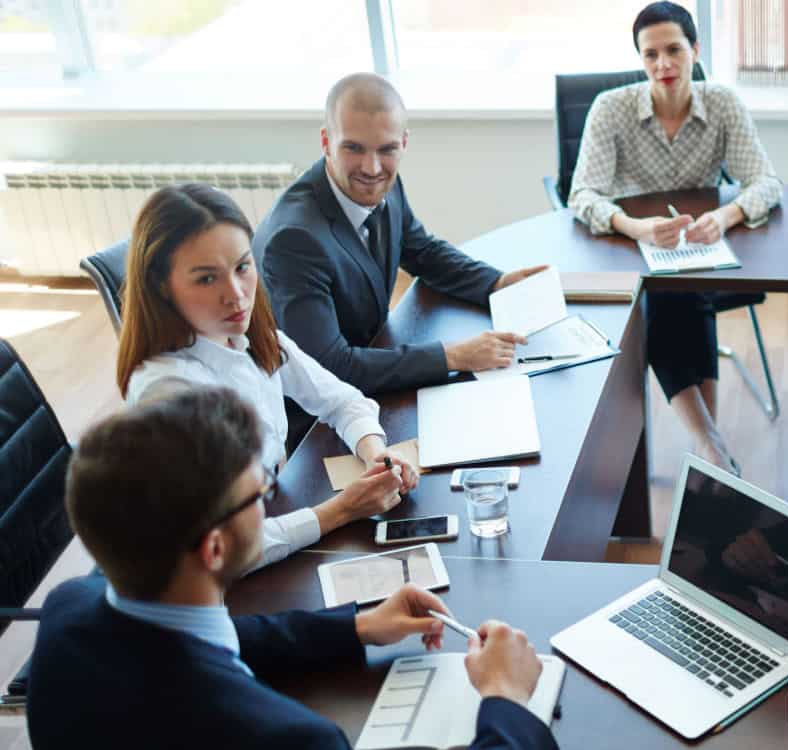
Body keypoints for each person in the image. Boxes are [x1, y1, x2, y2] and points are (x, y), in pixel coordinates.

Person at [27, 388, 557, 750]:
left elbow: (199, 640)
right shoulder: (285, 739)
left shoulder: (68, 610)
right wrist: (507, 699)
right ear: (214, 550)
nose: (266, 505)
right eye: (256, 495)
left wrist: (355, 627)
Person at [116, 183, 417, 570]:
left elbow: (342, 399)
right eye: (207, 279)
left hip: (273, 517)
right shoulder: (168, 392)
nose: (237, 295)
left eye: (242, 266)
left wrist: (378, 455)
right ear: (161, 287)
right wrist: (343, 509)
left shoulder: (247, 334)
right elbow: (223, 551)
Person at [568, 1, 784, 474]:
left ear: (695, 50)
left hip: (700, 247)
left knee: (681, 295)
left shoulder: (722, 102)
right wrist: (634, 225)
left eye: (673, 50)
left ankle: (708, 451)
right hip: (629, 251)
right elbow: (581, 194)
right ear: (640, 59)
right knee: (669, 297)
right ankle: (711, 447)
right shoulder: (612, 108)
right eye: (650, 55)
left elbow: (766, 183)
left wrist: (726, 216)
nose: (663, 65)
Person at [256, 72, 547, 395]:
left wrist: (497, 282)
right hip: (320, 414)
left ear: (404, 143)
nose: (372, 168)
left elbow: (423, 251)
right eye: (354, 148)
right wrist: (453, 356)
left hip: (375, 361)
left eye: (387, 149)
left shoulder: (385, 187)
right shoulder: (294, 240)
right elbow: (330, 368)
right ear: (326, 142)